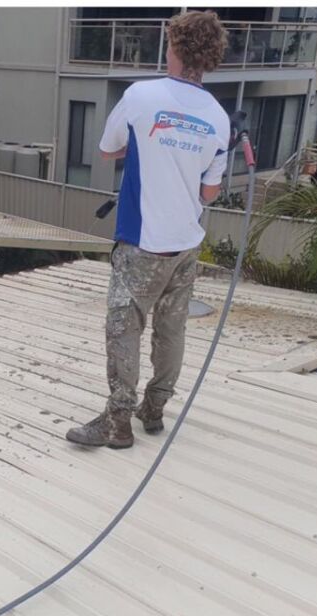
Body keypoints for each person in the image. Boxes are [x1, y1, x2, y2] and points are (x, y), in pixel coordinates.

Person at [67, 11, 233, 450]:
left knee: (124, 327)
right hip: (185, 245)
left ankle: (117, 422)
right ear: (211, 56)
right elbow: (210, 192)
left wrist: (151, 144)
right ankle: (154, 409)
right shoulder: (219, 119)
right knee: (171, 329)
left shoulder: (141, 96)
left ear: (173, 47)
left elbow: (107, 151)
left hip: (143, 242)